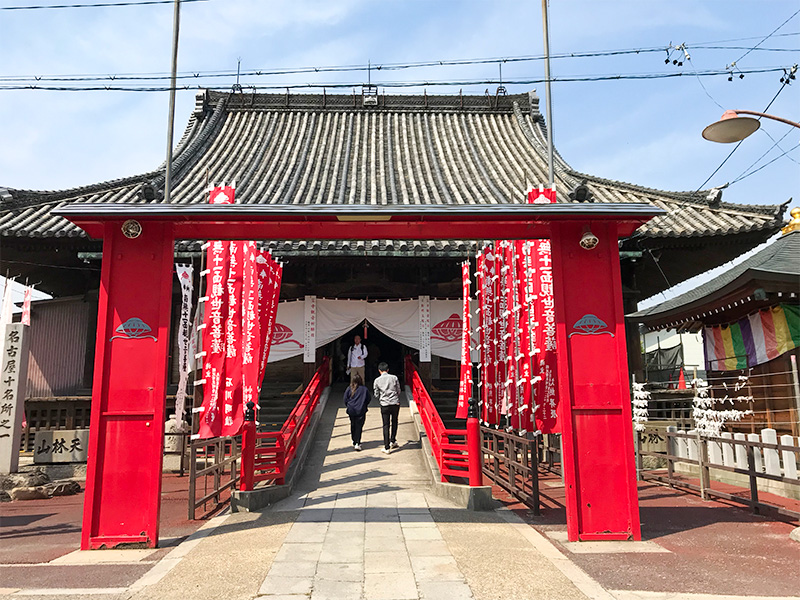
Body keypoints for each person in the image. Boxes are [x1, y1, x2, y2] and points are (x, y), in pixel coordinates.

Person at [373, 361, 401, 454]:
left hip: (384, 404)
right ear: (388, 370)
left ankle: (386, 446)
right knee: (395, 421)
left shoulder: (377, 380)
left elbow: (376, 394)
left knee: (386, 425)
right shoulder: (394, 378)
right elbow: (398, 390)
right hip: (394, 402)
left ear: (379, 371)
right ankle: (393, 440)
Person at [343, 373, 370, 451]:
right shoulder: (364, 389)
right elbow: (368, 399)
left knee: (353, 425)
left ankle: (354, 440)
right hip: (361, 410)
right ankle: (357, 442)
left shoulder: (349, 388)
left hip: (351, 410)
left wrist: (348, 405)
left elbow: (345, 399)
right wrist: (364, 405)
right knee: (359, 426)